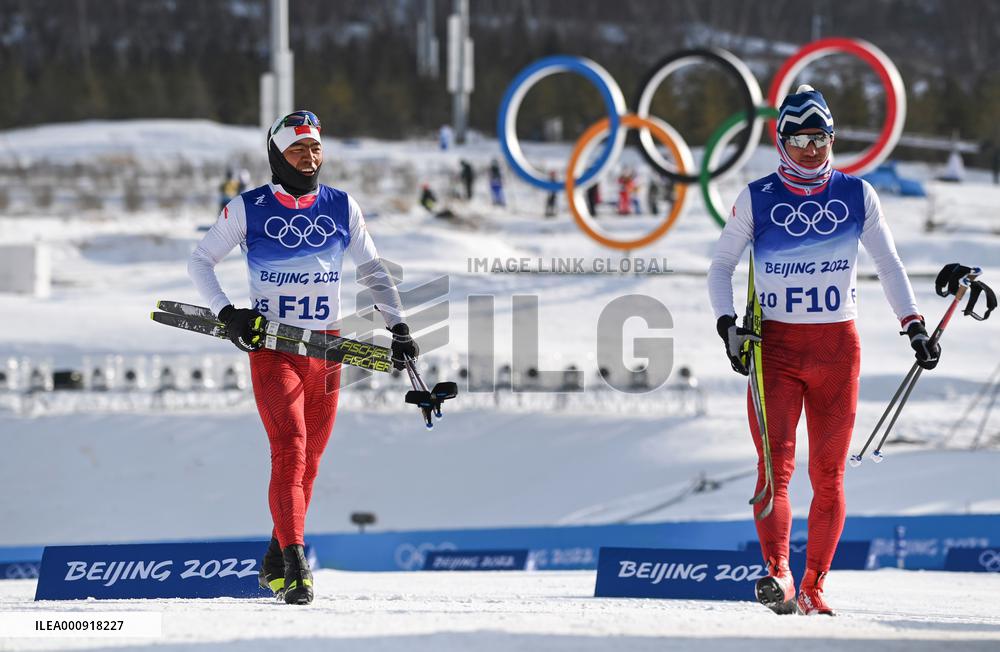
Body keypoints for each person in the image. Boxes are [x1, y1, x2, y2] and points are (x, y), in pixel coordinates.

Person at [706, 86, 940, 616]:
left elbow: (890, 265)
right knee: (774, 470)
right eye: (800, 137)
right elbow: (720, 267)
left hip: (837, 350)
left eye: (822, 137)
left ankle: (814, 585)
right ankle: (779, 574)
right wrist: (727, 327)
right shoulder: (757, 197)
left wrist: (915, 325)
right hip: (777, 353)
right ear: (781, 139)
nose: (812, 148)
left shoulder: (857, 195)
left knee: (829, 476)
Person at [188, 110, 418, 605]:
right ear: (277, 155)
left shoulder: (341, 206)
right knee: (289, 449)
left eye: (315, 148)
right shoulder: (248, 208)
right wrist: (227, 313)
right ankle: (296, 566)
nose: (309, 157)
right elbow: (200, 260)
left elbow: (373, 270)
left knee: (309, 464)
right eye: (297, 149)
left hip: (327, 350)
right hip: (274, 349)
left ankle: (274, 556)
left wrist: (398, 325)